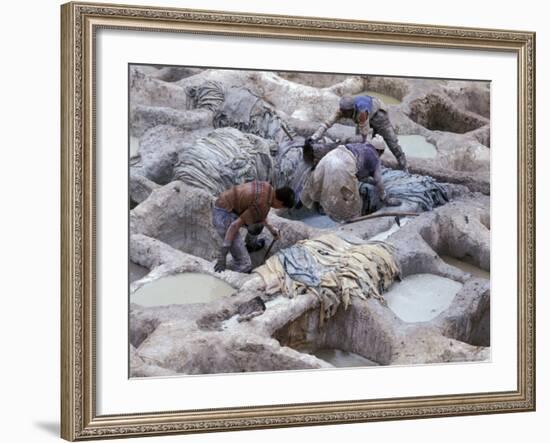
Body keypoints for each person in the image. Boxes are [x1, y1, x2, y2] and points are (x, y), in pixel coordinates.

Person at [212, 180, 296, 273]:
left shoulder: (268, 188)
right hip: (222, 216)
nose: (280, 208)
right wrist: (222, 255)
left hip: (228, 206)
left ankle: (251, 245)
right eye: (282, 207)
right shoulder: (263, 204)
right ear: (280, 203)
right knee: (245, 265)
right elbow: (234, 226)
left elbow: (259, 215)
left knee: (257, 225)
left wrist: (272, 229)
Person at [310, 95, 408, 171]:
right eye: (343, 111)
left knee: (391, 141)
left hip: (378, 115)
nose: (344, 114)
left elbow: (364, 136)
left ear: (352, 109)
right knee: (358, 145)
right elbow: (328, 123)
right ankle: (365, 165)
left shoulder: (362, 112)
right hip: (364, 118)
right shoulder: (341, 110)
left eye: (346, 112)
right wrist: (315, 136)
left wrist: (345, 141)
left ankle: (403, 165)